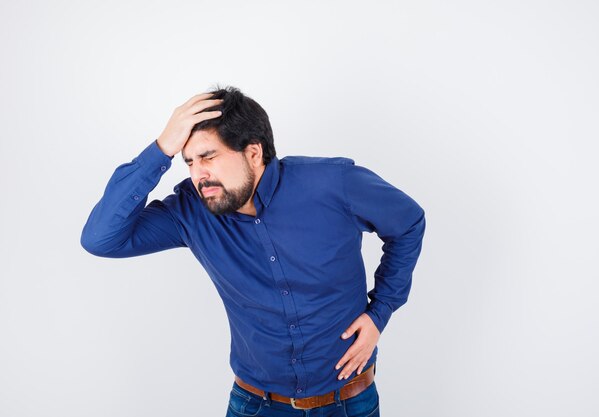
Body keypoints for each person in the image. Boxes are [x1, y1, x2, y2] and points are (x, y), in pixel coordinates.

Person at [80, 85, 426, 416]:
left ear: (254, 152)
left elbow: (408, 223)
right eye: (188, 161)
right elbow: (101, 238)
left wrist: (380, 312)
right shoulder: (190, 211)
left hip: (349, 400)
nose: (198, 175)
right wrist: (160, 149)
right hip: (256, 404)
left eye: (208, 156)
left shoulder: (333, 183)